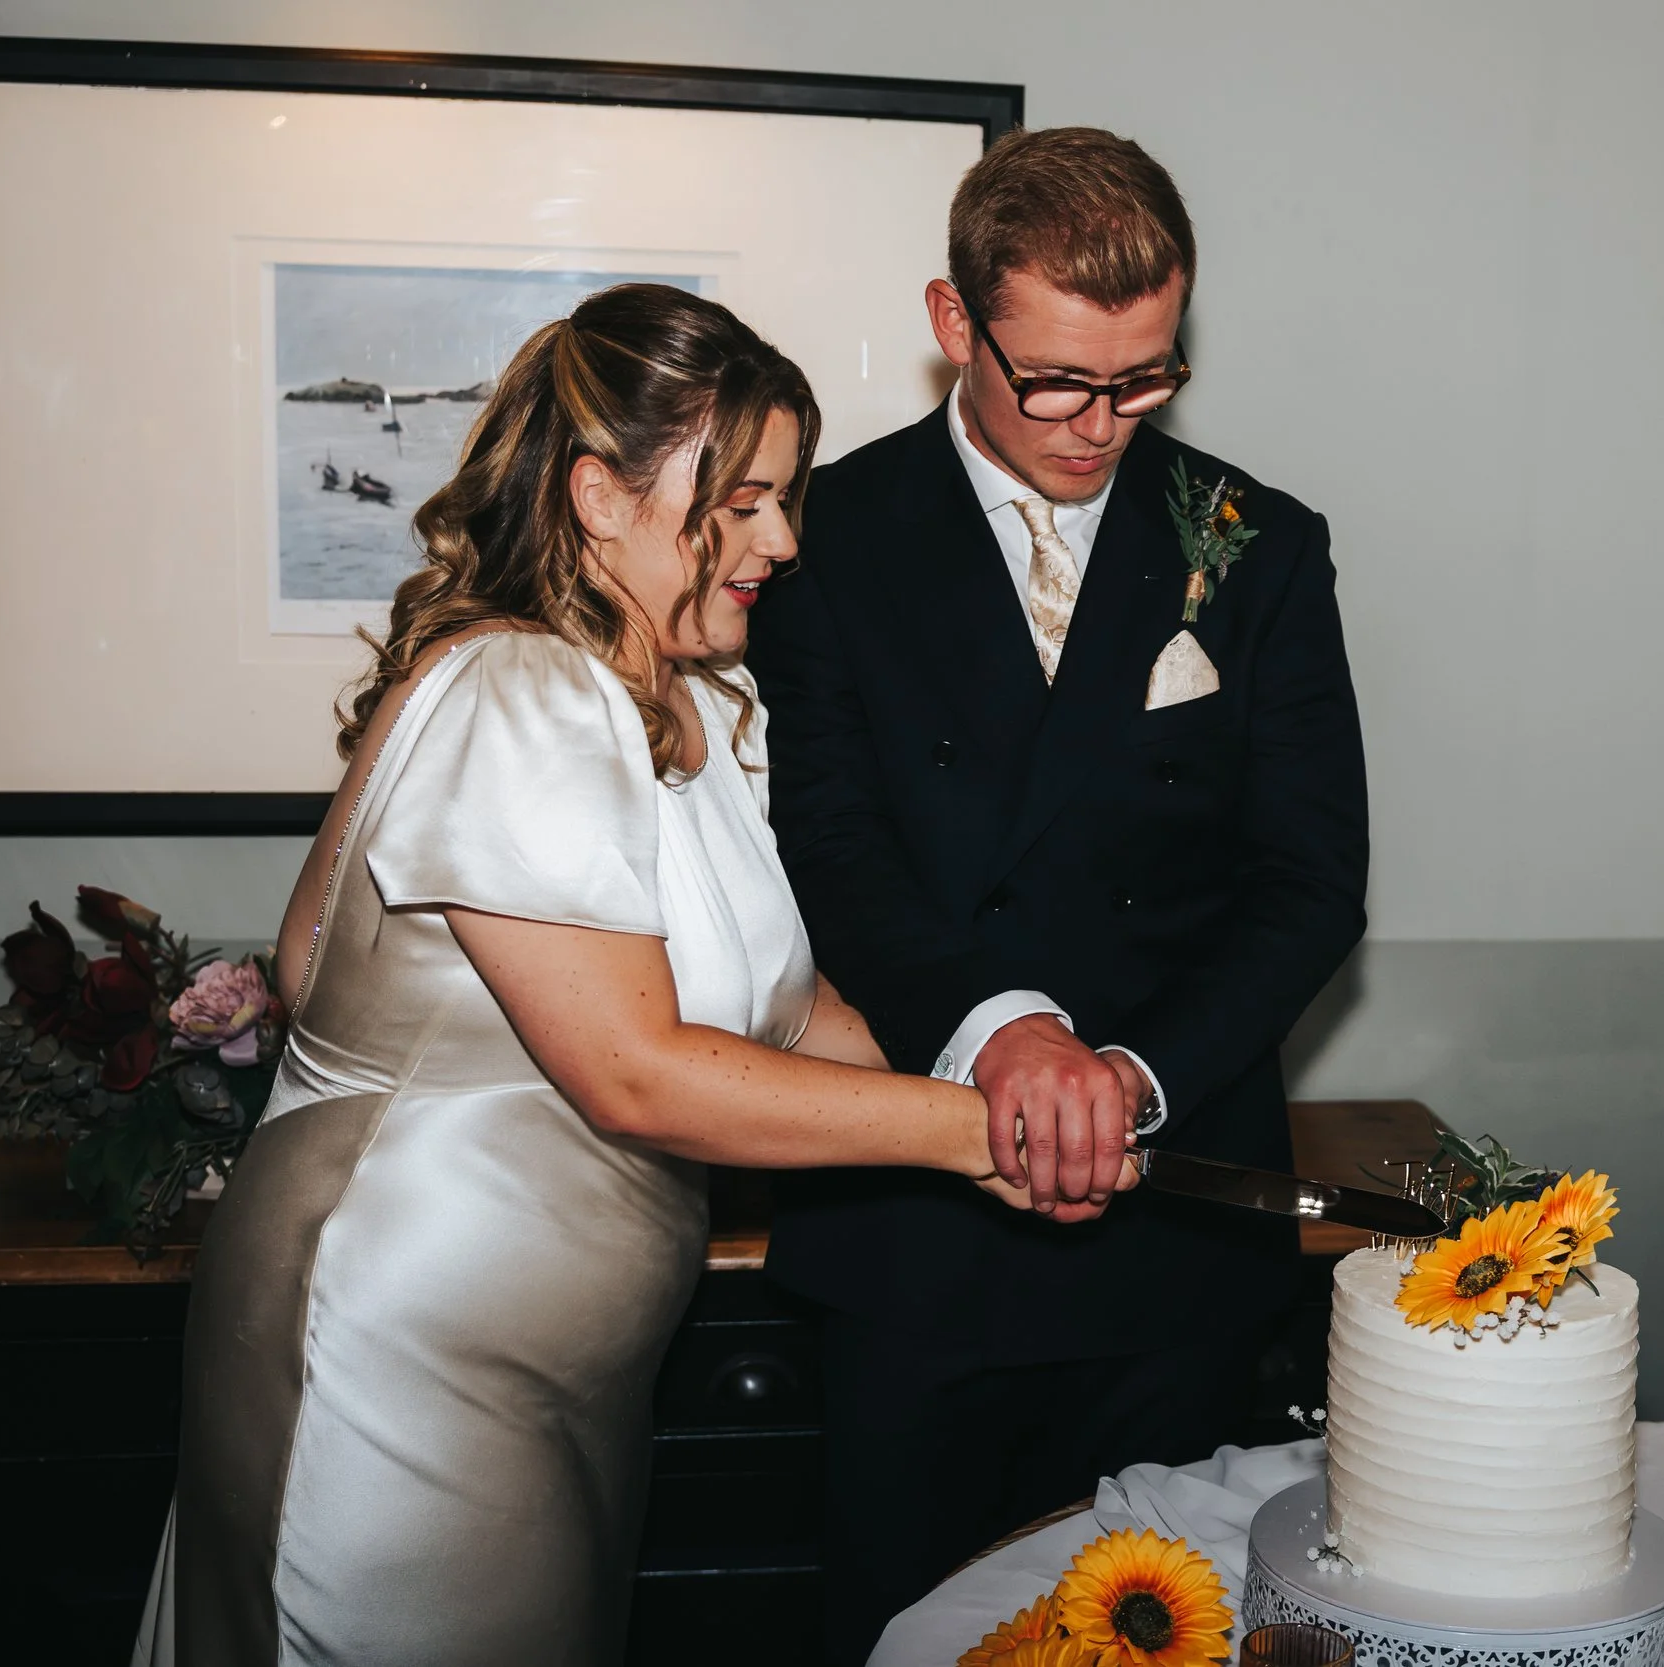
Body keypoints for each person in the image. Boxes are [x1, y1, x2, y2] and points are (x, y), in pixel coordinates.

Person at [130, 284, 1131, 1666]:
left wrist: (1002, 1086)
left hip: (567, 1364)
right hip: (400, 1347)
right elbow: (634, 1068)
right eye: (744, 499)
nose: (783, 538)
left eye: (786, 498)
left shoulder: (694, 707)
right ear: (599, 496)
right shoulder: (519, 691)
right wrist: (976, 1138)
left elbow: (799, 1011)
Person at [746, 127, 1370, 1658]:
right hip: (915, 1230)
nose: (1103, 425)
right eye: (1060, 383)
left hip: (1178, 1235)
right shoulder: (815, 540)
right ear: (956, 325)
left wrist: (1136, 1074)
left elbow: (1312, 879)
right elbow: (822, 842)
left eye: (1147, 377)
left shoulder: (1258, 547)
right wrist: (1000, 1026)